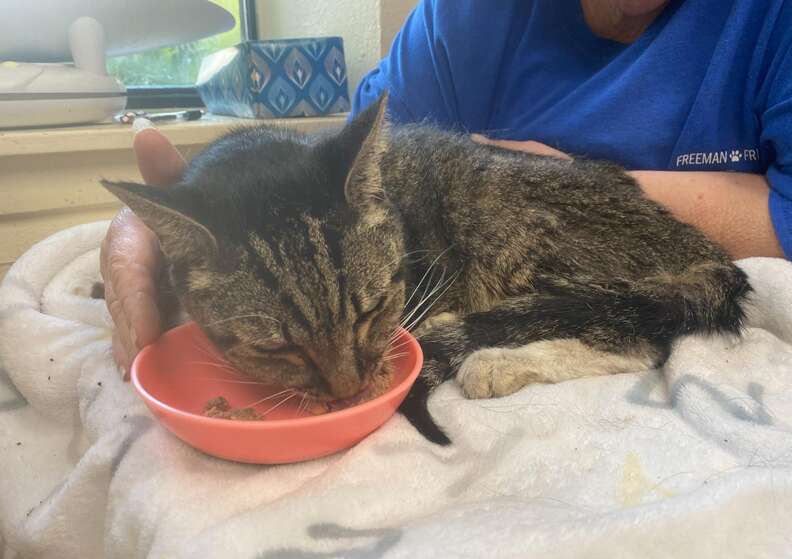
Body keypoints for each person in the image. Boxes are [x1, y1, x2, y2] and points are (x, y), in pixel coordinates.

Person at [101, 0, 792, 374]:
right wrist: (173, 220)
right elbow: (322, 176)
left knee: (497, 208)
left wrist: (569, 175)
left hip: (638, 261)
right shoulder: (464, 16)